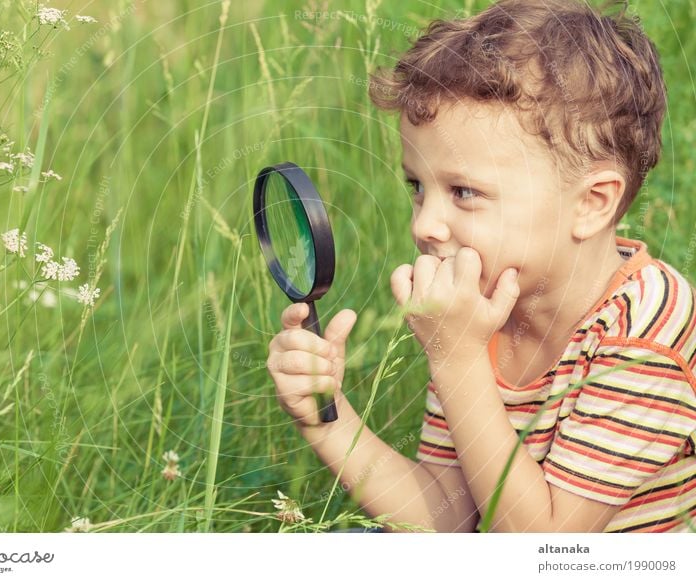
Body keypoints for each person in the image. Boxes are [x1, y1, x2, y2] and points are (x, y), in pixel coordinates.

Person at [265, 0, 696, 532]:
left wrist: (456, 360)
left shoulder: (646, 327)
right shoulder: (483, 312)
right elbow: (449, 519)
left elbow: (544, 551)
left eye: (464, 192)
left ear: (591, 203)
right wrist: (330, 423)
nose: (425, 224)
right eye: (417, 187)